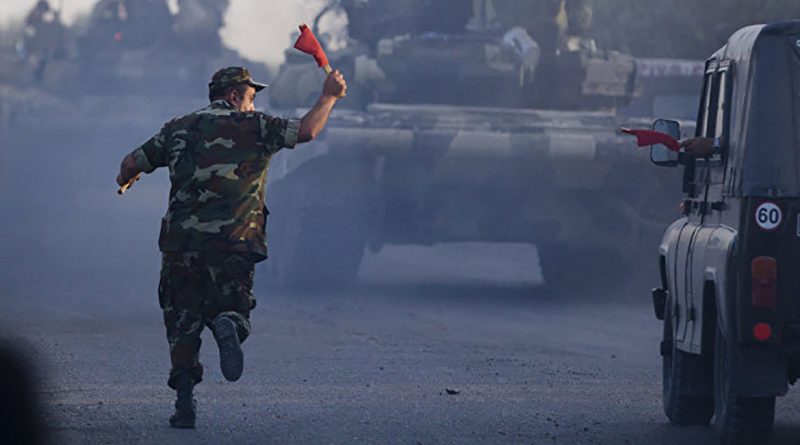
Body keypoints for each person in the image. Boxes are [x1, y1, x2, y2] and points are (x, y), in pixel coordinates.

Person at [115, 66, 347, 428]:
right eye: (252, 97)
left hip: (181, 245)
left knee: (182, 323)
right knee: (235, 306)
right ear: (236, 95)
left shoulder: (179, 128)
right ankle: (229, 323)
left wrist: (126, 179)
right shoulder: (257, 127)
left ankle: (184, 402)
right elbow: (307, 130)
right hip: (234, 242)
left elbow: (131, 163)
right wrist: (329, 95)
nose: (253, 105)